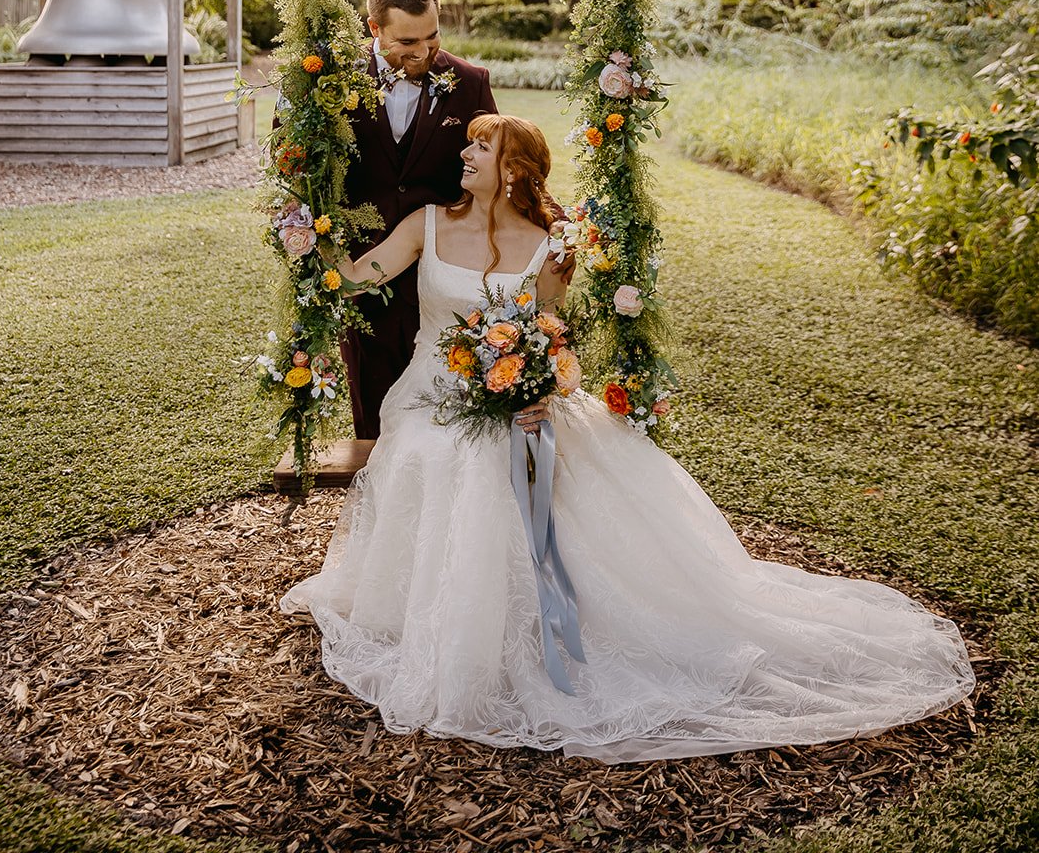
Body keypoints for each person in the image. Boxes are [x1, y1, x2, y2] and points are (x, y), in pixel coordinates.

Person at [281, 114, 975, 762]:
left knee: (525, 458)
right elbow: (353, 278)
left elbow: (546, 338)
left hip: (517, 398)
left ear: (516, 169)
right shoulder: (424, 224)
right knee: (441, 452)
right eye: (467, 144)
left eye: (480, 146)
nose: (464, 153)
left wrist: (534, 395)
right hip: (431, 396)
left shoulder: (553, 248)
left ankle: (556, 620)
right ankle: (441, 617)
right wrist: (306, 246)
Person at [341, 0, 497, 439]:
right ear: (375, 29)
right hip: (365, 274)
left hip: (446, 279)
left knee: (453, 421)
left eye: (432, 37)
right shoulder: (330, 85)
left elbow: (500, 166)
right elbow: (294, 177)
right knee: (374, 417)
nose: (425, 52)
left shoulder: (469, 83)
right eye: (408, 43)